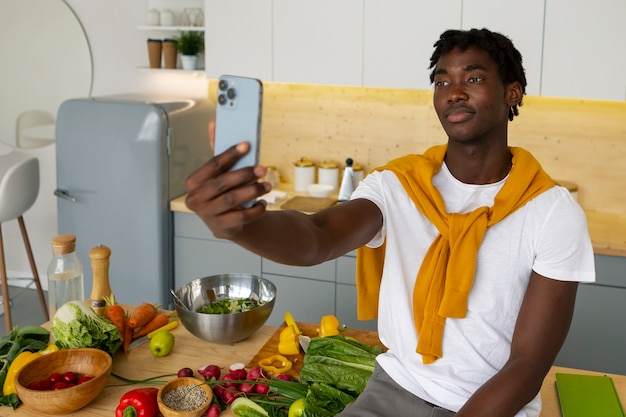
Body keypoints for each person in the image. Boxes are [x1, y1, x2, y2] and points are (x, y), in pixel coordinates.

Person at [185, 28, 595, 417]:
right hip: (394, 391)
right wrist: (242, 226)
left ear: (512, 92)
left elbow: (528, 364)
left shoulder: (551, 212)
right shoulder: (398, 187)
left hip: (495, 404)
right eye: (441, 81)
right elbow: (317, 237)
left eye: (473, 77)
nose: (454, 92)